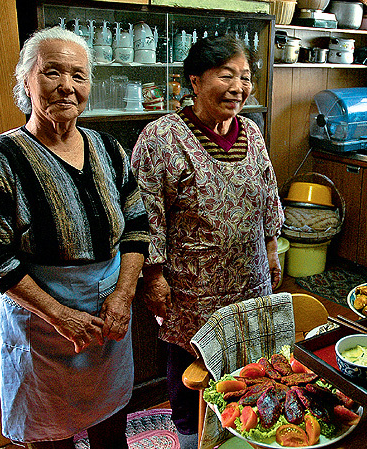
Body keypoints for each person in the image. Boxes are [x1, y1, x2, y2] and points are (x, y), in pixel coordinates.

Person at [0, 26, 150, 449]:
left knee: (110, 429)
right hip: (41, 324)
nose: (67, 86)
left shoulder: (110, 149)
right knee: (50, 438)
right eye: (52, 72)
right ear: (26, 81)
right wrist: (59, 315)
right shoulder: (2, 157)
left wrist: (122, 296)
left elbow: (137, 227)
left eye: (79, 75)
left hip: (107, 318)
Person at [130, 34, 284, 447]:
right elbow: (146, 215)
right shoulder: (162, 137)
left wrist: (271, 250)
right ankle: (187, 436)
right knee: (189, 364)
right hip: (191, 290)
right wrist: (153, 276)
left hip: (250, 278)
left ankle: (243, 429)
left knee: (248, 361)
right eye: (226, 75)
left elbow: (268, 194)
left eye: (246, 77)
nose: (239, 87)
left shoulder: (250, 131)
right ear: (194, 82)